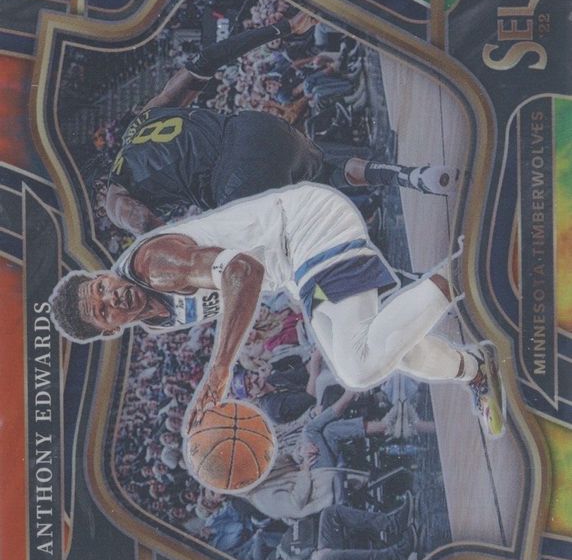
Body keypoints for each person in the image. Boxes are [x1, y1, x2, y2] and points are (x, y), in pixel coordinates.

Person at [50, 182, 505, 441]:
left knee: (360, 366)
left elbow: (242, 271)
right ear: (110, 330)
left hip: (305, 229)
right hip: (294, 268)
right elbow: (233, 281)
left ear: (103, 275)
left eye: (101, 287)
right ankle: (474, 369)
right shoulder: (157, 322)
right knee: (384, 352)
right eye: (103, 311)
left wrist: (219, 369)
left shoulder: (153, 267)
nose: (112, 298)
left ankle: (463, 271)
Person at [104, 12, 458, 236]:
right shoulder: (150, 112)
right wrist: (283, 27)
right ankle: (413, 175)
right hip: (255, 130)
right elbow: (209, 57)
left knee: (285, 255)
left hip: (232, 182)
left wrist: (172, 255)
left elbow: (140, 221)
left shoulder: (115, 192)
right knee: (327, 168)